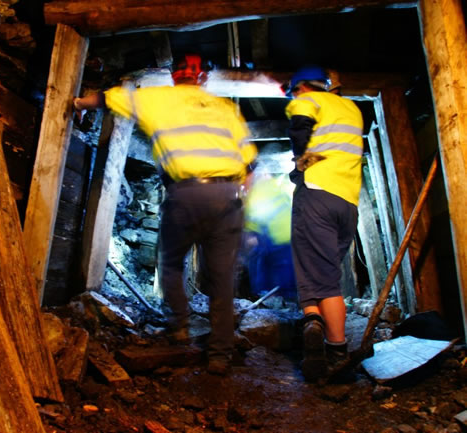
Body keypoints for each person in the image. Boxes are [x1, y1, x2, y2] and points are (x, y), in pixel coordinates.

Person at [73, 54, 258, 375]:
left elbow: (106, 98)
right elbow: (250, 169)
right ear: (202, 79)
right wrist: (242, 208)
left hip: (185, 193)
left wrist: (78, 103)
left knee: (171, 263)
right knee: (222, 277)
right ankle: (219, 355)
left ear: (175, 77)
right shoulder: (225, 109)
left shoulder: (157, 98)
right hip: (226, 196)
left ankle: (179, 327)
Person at [283, 66, 364, 382]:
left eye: (293, 91)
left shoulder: (307, 100)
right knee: (328, 271)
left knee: (315, 273)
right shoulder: (350, 108)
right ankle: (324, 335)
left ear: (302, 87)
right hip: (348, 201)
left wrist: (301, 165)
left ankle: (325, 340)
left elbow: (300, 131)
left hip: (316, 193)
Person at [243, 172, 297, 302]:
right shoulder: (278, 188)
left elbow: (253, 219)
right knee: (287, 277)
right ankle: (290, 304)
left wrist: (250, 233)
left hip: (274, 238)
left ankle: (268, 301)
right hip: (290, 237)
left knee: (263, 271)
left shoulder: (256, 192)